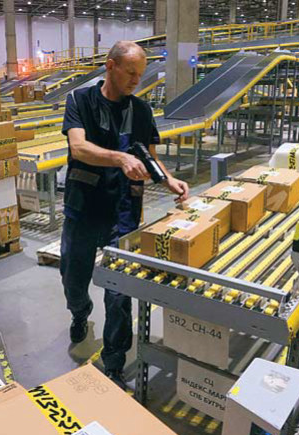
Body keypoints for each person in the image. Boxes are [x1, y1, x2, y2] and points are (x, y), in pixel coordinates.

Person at [60, 41, 189, 388]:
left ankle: (115, 361)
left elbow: (149, 156)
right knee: (73, 279)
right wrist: (120, 158)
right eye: (130, 72)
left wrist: (169, 179)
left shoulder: (141, 110)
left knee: (119, 291)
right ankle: (80, 312)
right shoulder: (80, 100)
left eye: (140, 74)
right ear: (110, 66)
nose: (136, 80)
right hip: (84, 208)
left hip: (123, 211)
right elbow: (78, 148)